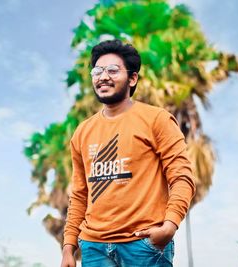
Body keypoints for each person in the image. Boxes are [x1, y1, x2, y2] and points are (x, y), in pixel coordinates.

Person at [61, 39, 195, 267]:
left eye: (113, 70)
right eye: (97, 71)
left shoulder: (156, 119)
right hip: (94, 248)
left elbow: (182, 177)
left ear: (132, 78)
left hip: (143, 246)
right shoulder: (82, 131)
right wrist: (68, 247)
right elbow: (80, 194)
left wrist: (170, 225)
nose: (103, 76)